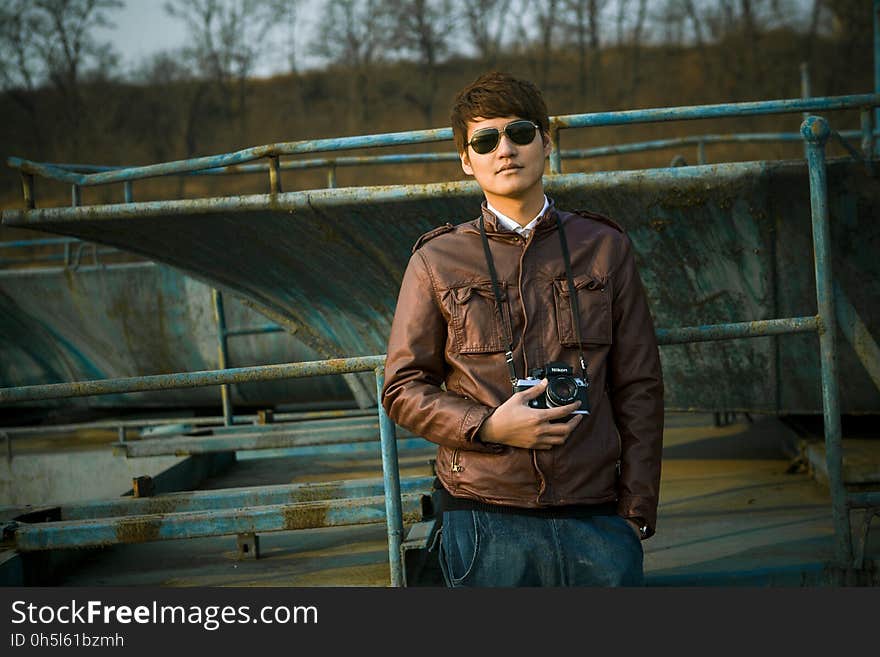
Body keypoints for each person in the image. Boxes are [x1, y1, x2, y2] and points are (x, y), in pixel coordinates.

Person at [381, 71, 664, 587]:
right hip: (483, 516)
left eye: (520, 133)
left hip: (597, 516)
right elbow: (402, 389)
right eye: (485, 140)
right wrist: (487, 426)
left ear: (546, 142)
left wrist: (636, 505)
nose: (504, 149)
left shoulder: (604, 247)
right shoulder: (436, 260)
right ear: (467, 160)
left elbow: (639, 384)